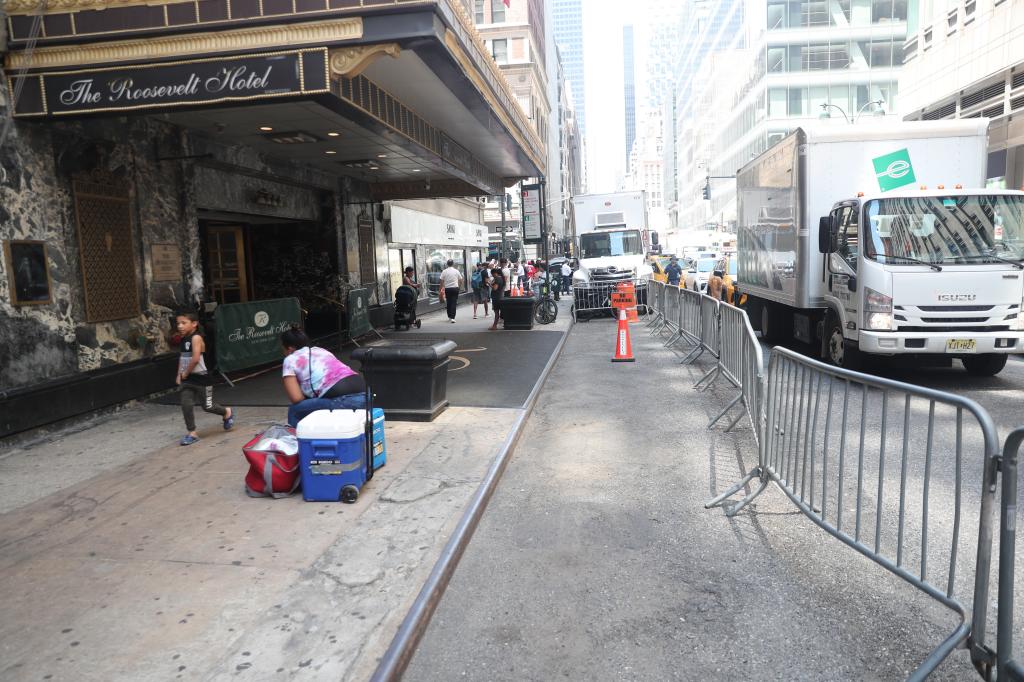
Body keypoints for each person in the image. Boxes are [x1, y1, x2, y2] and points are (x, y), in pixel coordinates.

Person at [280, 326, 366, 427]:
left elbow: (296, 398)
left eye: (282, 347)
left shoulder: (290, 359)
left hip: (344, 401)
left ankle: (296, 441)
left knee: (295, 410)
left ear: (289, 349)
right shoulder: (319, 350)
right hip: (365, 397)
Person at [175, 311, 233, 446]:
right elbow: (182, 358)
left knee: (208, 406)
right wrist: (179, 374)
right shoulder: (183, 339)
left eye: (184, 323)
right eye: (178, 323)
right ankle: (192, 433)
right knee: (186, 405)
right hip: (188, 379)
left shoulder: (196, 338)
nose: (180, 326)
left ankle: (226, 412)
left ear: (194, 324)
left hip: (202, 379)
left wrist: (185, 373)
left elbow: (195, 359)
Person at [439, 259, 463, 323]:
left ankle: (449, 316)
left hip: (447, 289)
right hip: (455, 288)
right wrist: (459, 287)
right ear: (453, 264)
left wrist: (440, 289)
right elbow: (461, 280)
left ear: (447, 264)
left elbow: (441, 281)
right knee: (454, 302)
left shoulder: (444, 271)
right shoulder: (456, 271)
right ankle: (453, 317)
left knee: (449, 302)